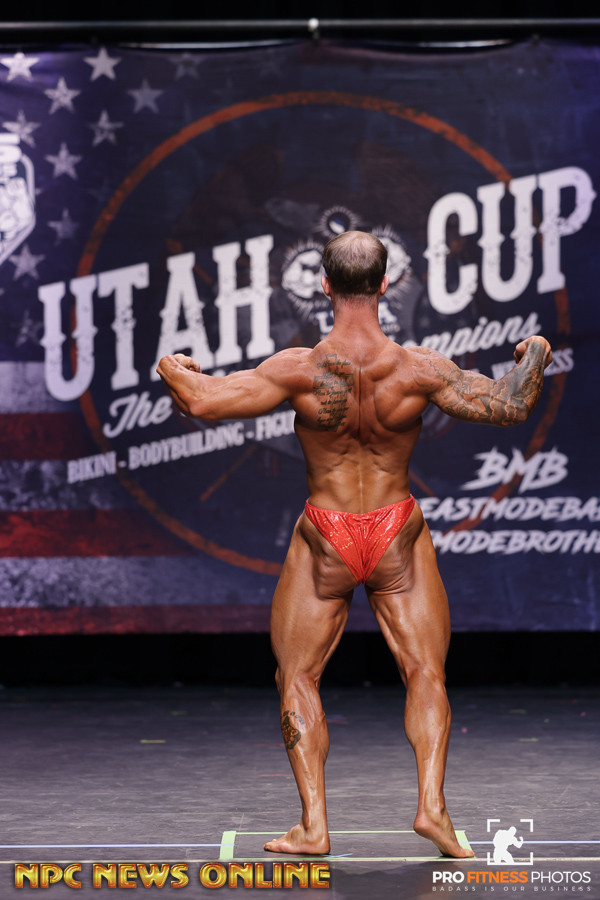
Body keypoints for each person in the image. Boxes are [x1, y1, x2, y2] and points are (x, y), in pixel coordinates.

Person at [157, 230, 552, 859]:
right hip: (396, 531)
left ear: (324, 285)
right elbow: (510, 404)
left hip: (328, 536)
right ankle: (432, 809)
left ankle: (314, 826)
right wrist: (536, 353)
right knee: (425, 672)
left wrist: (172, 368)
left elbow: (202, 403)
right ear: (386, 284)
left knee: (297, 675)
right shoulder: (419, 369)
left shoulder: (300, 369)